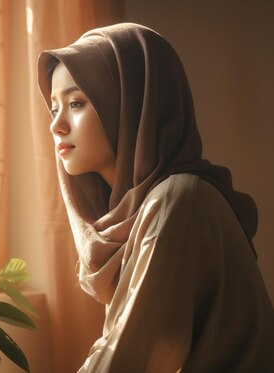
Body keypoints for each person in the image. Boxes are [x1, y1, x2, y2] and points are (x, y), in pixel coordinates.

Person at [36, 23, 274, 372]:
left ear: (132, 104)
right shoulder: (133, 215)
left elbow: (128, 358)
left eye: (76, 102)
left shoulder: (178, 199)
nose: (57, 125)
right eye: (53, 108)